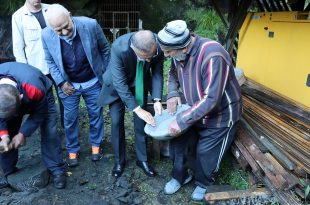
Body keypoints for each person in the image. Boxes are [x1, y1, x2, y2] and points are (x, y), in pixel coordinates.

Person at [157, 20, 242, 201]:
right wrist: (172, 93)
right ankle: (180, 176)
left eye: (168, 52)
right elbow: (172, 73)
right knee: (177, 143)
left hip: (220, 115)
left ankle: (204, 183)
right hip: (194, 109)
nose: (165, 55)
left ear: (184, 48)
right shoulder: (176, 53)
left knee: (205, 152)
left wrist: (181, 120)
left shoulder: (213, 55)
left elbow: (211, 99)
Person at [41, 4, 110, 167]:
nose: (64, 32)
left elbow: (105, 50)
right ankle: (72, 148)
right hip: (68, 85)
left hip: (93, 81)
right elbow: (50, 60)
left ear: (70, 16)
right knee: (70, 118)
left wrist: (106, 76)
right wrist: (61, 82)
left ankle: (96, 145)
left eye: (66, 27)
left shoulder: (90, 25)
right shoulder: (45, 34)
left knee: (96, 114)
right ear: (51, 28)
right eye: (58, 30)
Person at [97, 30, 164, 178]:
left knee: (142, 121)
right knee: (116, 122)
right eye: (144, 57)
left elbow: (158, 73)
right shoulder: (119, 48)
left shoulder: (158, 45)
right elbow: (120, 84)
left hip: (139, 83)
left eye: (150, 57)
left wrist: (157, 99)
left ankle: (142, 159)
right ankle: (119, 161)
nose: (148, 61)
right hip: (117, 87)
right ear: (134, 49)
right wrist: (137, 109)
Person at [0, 62, 66, 189]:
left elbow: (40, 113)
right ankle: (8, 172)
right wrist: (4, 136)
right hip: (11, 102)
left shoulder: (33, 88)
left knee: (49, 132)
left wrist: (23, 133)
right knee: (8, 131)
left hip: (41, 96)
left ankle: (57, 169)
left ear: (21, 97)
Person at [12, 0, 64, 125]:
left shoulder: (52, 9)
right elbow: (18, 48)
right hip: (37, 68)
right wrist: (25, 72)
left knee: (66, 100)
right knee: (44, 105)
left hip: (58, 65)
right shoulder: (18, 16)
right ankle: (49, 135)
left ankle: (68, 130)